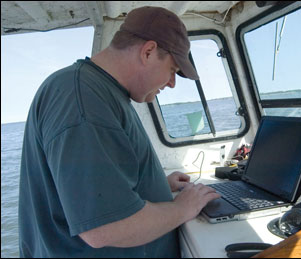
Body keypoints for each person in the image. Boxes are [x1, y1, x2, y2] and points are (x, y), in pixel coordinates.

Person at [18, 6, 220, 258]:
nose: (172, 83)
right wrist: (183, 209)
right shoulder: (83, 98)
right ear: (148, 52)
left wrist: (155, 185)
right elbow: (105, 228)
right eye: (172, 69)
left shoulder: (99, 91)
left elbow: (91, 187)